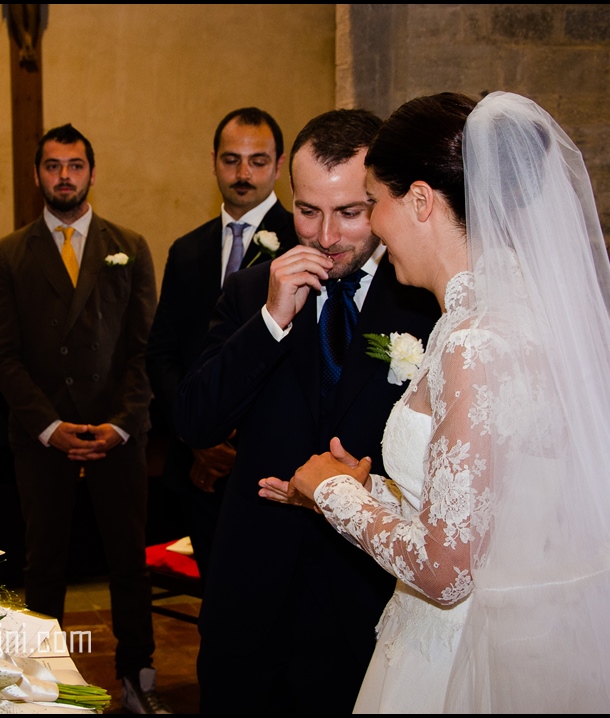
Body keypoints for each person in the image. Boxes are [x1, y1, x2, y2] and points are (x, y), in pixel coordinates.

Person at [259, 92, 610, 712]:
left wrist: (331, 492)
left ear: (420, 201)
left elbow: (446, 572)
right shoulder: (508, 315)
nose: (375, 226)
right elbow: (492, 503)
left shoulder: (474, 343)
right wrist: (374, 490)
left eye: (375, 201)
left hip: (461, 655)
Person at [175, 110, 441, 713]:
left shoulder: (422, 302)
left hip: (365, 601)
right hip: (252, 595)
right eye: (307, 210)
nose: (325, 236)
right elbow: (194, 420)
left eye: (350, 212)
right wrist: (271, 321)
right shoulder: (252, 292)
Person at [0, 124, 168, 713]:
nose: (64, 176)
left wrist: (120, 424)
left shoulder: (129, 246)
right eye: (53, 166)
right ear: (37, 173)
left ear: (92, 171)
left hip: (117, 433)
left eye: (75, 165)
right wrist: (49, 427)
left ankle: (138, 681)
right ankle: (42, 687)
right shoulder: (9, 254)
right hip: (43, 438)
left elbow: (145, 348)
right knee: (44, 567)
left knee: (129, 564)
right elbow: (2, 355)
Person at [146, 107, 294, 578]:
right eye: (231, 160)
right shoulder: (187, 249)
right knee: (214, 599)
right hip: (197, 466)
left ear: (278, 164)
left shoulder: (302, 242)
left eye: (257, 161)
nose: (243, 173)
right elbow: (162, 353)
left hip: (271, 464)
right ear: (213, 162)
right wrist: (197, 437)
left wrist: (235, 444)